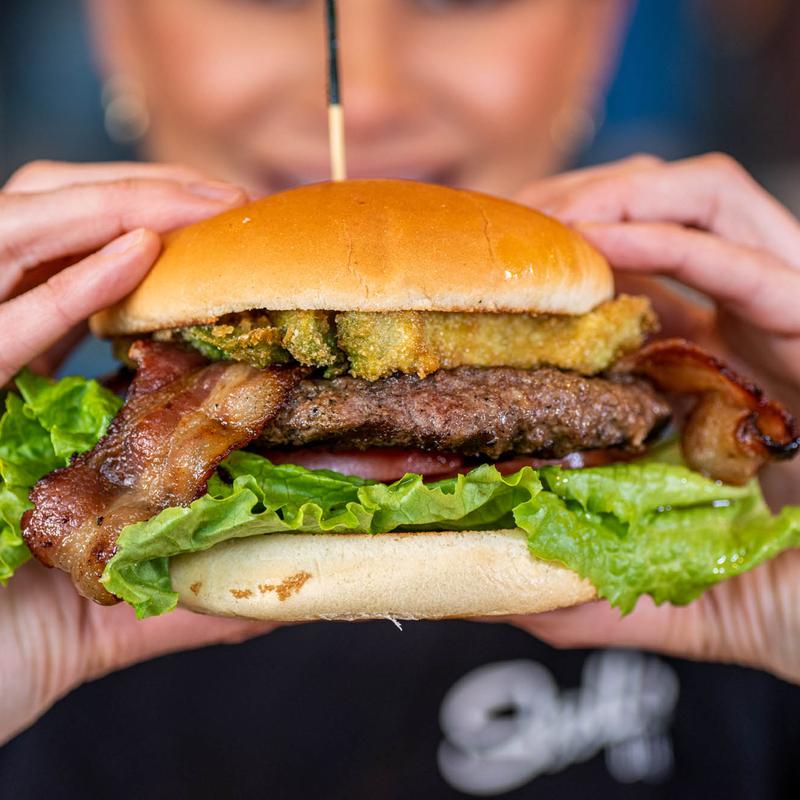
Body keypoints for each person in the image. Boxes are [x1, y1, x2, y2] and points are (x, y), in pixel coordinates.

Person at [2, 1, 800, 796]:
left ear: (595, 35)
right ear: (117, 28)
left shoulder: (750, 576)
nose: (374, 97)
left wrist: (775, 604)